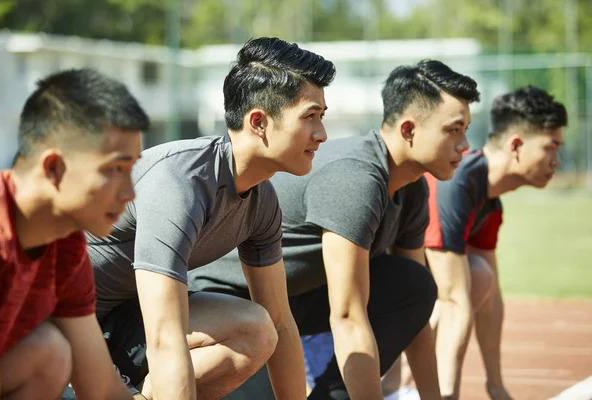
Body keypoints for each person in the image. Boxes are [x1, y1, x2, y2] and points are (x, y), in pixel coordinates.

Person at [188, 59, 481, 400]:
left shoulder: (412, 189)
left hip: (288, 300)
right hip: (227, 305)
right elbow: (347, 316)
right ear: (409, 130)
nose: (465, 145)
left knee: (413, 285)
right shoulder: (356, 180)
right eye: (454, 129)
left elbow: (414, 312)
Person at [87, 37, 335, 400]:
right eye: (310, 117)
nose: (322, 134)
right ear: (259, 122)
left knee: (258, 329)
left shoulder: (262, 200)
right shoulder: (180, 183)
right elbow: (165, 334)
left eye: (322, 117)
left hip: (124, 321)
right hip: (52, 321)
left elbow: (280, 322)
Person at [0, 68, 149, 400]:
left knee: (51, 352)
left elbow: (103, 389)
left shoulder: (65, 245)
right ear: (53, 168)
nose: (130, 193)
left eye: (132, 170)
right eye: (114, 170)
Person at [423, 85, 567, 400]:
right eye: (550, 147)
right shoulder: (457, 183)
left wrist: (496, 386)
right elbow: (452, 302)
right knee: (449, 296)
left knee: (480, 277)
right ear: (516, 144)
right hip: (345, 302)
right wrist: (449, 395)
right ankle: (405, 387)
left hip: (393, 300)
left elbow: (489, 297)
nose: (557, 161)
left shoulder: (489, 202)